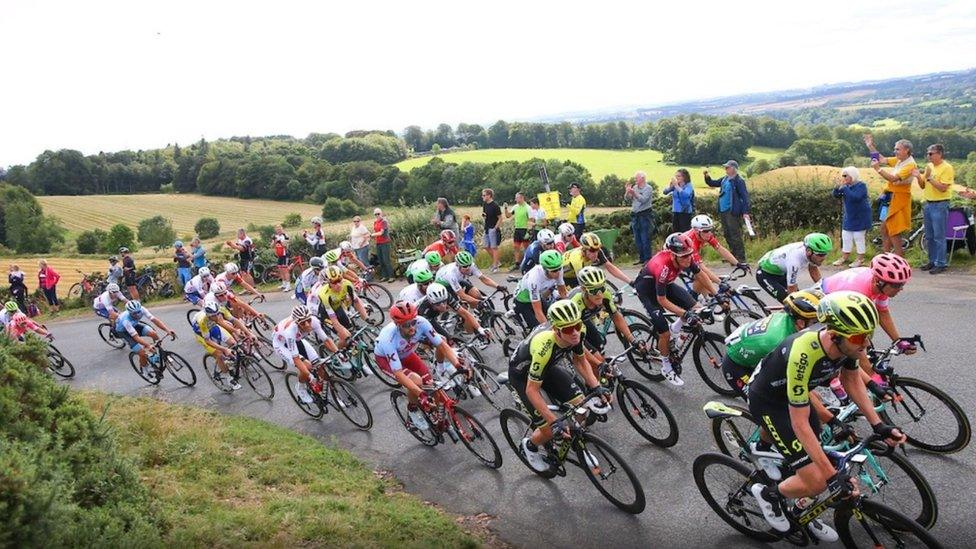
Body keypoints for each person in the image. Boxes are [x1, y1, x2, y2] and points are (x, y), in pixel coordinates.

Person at [748, 291, 905, 541]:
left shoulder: (848, 345)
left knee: (819, 457)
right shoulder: (804, 353)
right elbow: (799, 423)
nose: (865, 344)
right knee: (819, 480)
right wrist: (831, 478)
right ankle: (769, 495)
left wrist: (879, 425)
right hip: (770, 402)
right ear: (834, 335)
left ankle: (800, 507)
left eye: (869, 335)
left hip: (798, 397)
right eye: (859, 337)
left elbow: (852, 380)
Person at [508, 299, 609, 473]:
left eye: (577, 325)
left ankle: (577, 443)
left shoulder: (578, 331)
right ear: (556, 329)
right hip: (522, 377)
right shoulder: (544, 348)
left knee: (581, 404)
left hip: (548, 368)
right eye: (569, 329)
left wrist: (596, 386)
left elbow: (580, 361)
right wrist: (553, 421)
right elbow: (531, 390)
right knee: (548, 430)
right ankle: (530, 446)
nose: (575, 333)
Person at [633, 233, 710, 386]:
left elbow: (701, 275)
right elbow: (661, 300)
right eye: (683, 256)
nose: (688, 259)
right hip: (648, 292)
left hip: (665, 285)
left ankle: (676, 327)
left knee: (697, 308)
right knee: (664, 333)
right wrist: (685, 314)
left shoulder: (686, 258)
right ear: (673, 255)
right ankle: (666, 366)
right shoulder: (663, 267)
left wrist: (717, 294)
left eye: (689, 254)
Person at [374, 301, 463, 430]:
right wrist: (421, 394)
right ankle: (412, 408)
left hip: (407, 354)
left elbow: (441, 345)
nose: (412, 328)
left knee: (433, 387)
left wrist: (458, 365)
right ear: (397, 325)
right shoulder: (388, 338)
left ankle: (438, 418)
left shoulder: (421, 322)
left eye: (413, 322)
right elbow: (398, 373)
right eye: (406, 325)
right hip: (386, 360)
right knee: (416, 381)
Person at [722, 290, 822, 399]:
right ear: (801, 323)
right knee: (764, 403)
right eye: (816, 322)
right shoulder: (780, 340)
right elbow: (793, 380)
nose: (821, 326)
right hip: (736, 365)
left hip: (754, 349)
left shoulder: (789, 320)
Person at [816, 253, 914, 347]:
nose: (901, 288)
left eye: (902, 284)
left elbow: (882, 312)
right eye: (897, 285)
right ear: (878, 281)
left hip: (836, 296)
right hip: (819, 297)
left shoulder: (881, 286)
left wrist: (898, 341)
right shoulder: (859, 292)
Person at [570, 266, 641, 369]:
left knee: (600, 350)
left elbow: (616, 316)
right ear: (584, 290)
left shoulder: (605, 295)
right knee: (595, 361)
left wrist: (632, 339)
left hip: (584, 321)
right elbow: (574, 339)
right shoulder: (575, 304)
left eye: (601, 288)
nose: (599, 294)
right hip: (571, 327)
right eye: (594, 290)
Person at [273, 305, 340, 404]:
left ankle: (329, 393)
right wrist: (309, 376)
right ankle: (300, 388)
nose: (308, 324)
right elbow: (296, 359)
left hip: (298, 339)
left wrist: (339, 353)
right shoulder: (290, 331)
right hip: (282, 344)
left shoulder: (314, 321)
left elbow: (326, 340)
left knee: (319, 365)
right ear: (297, 323)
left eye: (308, 320)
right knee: (306, 368)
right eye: (303, 323)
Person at [864, 134, 916, 256]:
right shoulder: (900, 160)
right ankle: (886, 257)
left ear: (906, 150)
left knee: (894, 231)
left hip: (899, 199)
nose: (895, 151)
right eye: (895, 149)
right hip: (890, 198)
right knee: (884, 229)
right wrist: (870, 146)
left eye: (897, 149)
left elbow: (893, 179)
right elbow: (881, 159)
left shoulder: (910, 165)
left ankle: (898, 259)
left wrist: (878, 169)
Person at [191, 296, 254, 391]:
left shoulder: (220, 309)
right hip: (201, 333)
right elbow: (208, 340)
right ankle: (229, 377)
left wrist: (248, 333)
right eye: (213, 316)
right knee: (219, 354)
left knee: (233, 342)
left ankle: (232, 360)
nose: (217, 317)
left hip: (213, 326)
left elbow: (234, 320)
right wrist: (224, 349)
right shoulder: (202, 320)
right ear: (208, 315)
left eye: (217, 314)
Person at [913, 144, 955, 274]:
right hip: (928, 203)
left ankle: (941, 263)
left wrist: (930, 178)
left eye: (931, 153)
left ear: (940, 154)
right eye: (927, 153)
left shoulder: (947, 168)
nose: (928, 156)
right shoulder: (929, 167)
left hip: (940, 204)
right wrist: (918, 177)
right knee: (929, 236)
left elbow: (943, 188)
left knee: (939, 236)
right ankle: (932, 261)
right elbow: (923, 186)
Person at [755, 233, 832, 302]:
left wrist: (825, 290)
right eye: (820, 255)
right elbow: (792, 290)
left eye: (825, 254)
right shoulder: (794, 261)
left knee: (799, 300)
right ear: (809, 251)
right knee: (790, 302)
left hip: (780, 271)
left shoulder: (810, 251)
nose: (823, 258)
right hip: (765, 274)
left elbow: (813, 269)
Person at [683, 214, 748, 296]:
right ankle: (692, 299)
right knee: (701, 276)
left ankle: (703, 298)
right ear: (696, 231)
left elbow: (720, 249)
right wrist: (719, 283)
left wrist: (738, 263)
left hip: (688, 258)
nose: (709, 233)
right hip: (679, 261)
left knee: (709, 287)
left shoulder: (706, 235)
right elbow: (701, 268)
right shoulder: (691, 242)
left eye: (710, 230)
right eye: (706, 231)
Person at [114, 300, 177, 377]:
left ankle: (160, 354)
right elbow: (135, 337)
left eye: (138, 312)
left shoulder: (142, 309)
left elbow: (154, 320)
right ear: (129, 312)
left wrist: (168, 330)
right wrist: (148, 345)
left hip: (134, 326)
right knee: (141, 352)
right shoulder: (126, 320)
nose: (137, 314)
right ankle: (144, 369)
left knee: (153, 333)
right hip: (123, 332)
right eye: (134, 313)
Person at [703, 160, 750, 262]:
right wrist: (706, 176)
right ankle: (732, 257)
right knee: (727, 234)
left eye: (727, 167)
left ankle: (741, 258)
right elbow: (712, 183)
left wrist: (745, 212)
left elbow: (745, 197)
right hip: (723, 210)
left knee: (735, 234)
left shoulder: (739, 181)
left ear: (733, 168)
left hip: (732, 211)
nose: (725, 169)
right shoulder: (725, 179)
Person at [317, 265, 371, 350]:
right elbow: (334, 320)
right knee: (345, 337)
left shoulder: (347, 284)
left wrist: (366, 318)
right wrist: (344, 334)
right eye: (334, 282)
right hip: (327, 315)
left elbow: (356, 302)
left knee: (351, 331)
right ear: (328, 283)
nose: (338, 285)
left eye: (339, 280)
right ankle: (338, 353)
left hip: (338, 309)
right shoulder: (325, 295)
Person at [513, 249, 567, 329]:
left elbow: (563, 292)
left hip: (537, 295)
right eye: (554, 270)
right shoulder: (534, 279)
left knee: (555, 317)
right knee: (538, 329)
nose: (558, 272)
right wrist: (549, 331)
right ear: (545, 269)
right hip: (523, 301)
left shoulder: (557, 268)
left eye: (559, 268)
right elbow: (538, 311)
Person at [831, 167, 872, 268]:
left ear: (852, 175)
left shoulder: (861, 186)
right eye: (843, 175)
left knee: (858, 237)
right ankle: (844, 257)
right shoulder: (846, 186)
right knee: (846, 236)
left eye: (846, 175)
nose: (844, 177)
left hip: (861, 216)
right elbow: (836, 195)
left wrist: (845, 188)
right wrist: (836, 188)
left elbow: (856, 197)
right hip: (849, 216)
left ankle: (860, 259)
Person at [561, 232, 633, 289]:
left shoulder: (596, 251)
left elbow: (610, 266)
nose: (595, 253)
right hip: (565, 277)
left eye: (597, 249)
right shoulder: (577, 259)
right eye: (592, 250)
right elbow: (582, 284)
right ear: (584, 249)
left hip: (575, 274)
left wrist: (630, 282)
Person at [434, 251, 506, 307]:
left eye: (469, 265)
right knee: (461, 307)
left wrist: (498, 286)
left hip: (458, 279)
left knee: (477, 295)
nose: (468, 268)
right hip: (444, 284)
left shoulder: (471, 265)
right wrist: (477, 302)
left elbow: (483, 278)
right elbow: (462, 295)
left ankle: (473, 315)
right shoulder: (451, 274)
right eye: (465, 266)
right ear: (458, 265)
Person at [625, 171, 656, 264]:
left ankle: (647, 259)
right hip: (635, 215)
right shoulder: (634, 187)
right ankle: (641, 258)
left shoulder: (648, 188)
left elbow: (643, 200)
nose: (635, 180)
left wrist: (634, 193)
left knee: (645, 237)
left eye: (636, 178)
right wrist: (627, 192)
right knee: (637, 238)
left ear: (642, 178)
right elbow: (627, 199)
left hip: (645, 215)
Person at [505, 192, 532, 269]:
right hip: (517, 229)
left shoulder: (528, 207)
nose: (515, 199)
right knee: (516, 246)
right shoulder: (515, 207)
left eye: (517, 198)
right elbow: (508, 215)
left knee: (526, 247)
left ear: (522, 198)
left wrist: (529, 231)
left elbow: (531, 219)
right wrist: (506, 208)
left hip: (525, 229)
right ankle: (517, 263)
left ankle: (527, 262)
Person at [664, 168, 695, 233]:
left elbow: (686, 195)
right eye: (676, 176)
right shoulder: (675, 185)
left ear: (684, 177)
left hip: (685, 212)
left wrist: (677, 186)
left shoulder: (688, 185)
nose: (676, 178)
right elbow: (665, 192)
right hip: (676, 211)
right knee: (676, 231)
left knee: (684, 231)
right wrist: (670, 187)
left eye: (678, 176)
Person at [481, 188, 503, 272]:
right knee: (486, 246)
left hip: (492, 228)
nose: (482, 197)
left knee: (494, 247)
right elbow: (485, 214)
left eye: (484, 195)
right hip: (486, 227)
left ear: (489, 195)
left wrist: (495, 228)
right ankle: (497, 261)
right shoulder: (485, 204)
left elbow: (500, 218)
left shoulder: (495, 206)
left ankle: (495, 266)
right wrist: (484, 216)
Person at [371, 208, 394, 282]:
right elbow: (376, 231)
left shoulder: (384, 222)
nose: (377, 215)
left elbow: (381, 232)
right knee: (381, 260)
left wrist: (372, 235)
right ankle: (385, 276)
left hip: (385, 242)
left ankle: (391, 276)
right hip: (378, 242)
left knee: (386, 260)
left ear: (381, 214)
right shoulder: (375, 222)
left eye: (378, 214)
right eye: (376, 214)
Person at [272, 225, 291, 291]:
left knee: (285, 270)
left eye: (280, 229)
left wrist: (280, 241)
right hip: (279, 255)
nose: (279, 231)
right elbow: (271, 245)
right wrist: (275, 241)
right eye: (277, 230)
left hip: (285, 254)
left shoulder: (285, 236)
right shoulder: (275, 236)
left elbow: (286, 245)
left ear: (282, 230)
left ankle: (288, 285)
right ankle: (284, 283)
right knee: (280, 269)